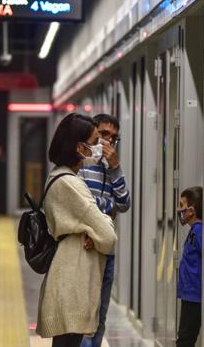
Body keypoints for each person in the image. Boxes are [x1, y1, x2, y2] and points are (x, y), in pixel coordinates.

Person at [37, 113, 117, 347]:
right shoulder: (71, 184)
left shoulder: (59, 176)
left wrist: (94, 230)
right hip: (72, 281)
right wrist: (99, 227)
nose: (99, 147)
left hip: (68, 277)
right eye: (94, 142)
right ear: (79, 147)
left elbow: (100, 230)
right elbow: (108, 236)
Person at [77, 114, 131, 347]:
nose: (109, 141)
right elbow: (81, 202)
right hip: (84, 249)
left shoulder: (113, 168)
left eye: (114, 137)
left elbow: (125, 203)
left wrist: (116, 167)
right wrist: (108, 208)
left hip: (106, 251)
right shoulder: (80, 164)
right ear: (94, 135)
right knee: (82, 314)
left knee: (100, 315)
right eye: (104, 134)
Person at [176, 186, 203, 347]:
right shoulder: (194, 231)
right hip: (189, 295)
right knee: (184, 337)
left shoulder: (199, 232)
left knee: (185, 340)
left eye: (181, 205)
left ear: (191, 210)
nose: (179, 209)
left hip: (195, 296)